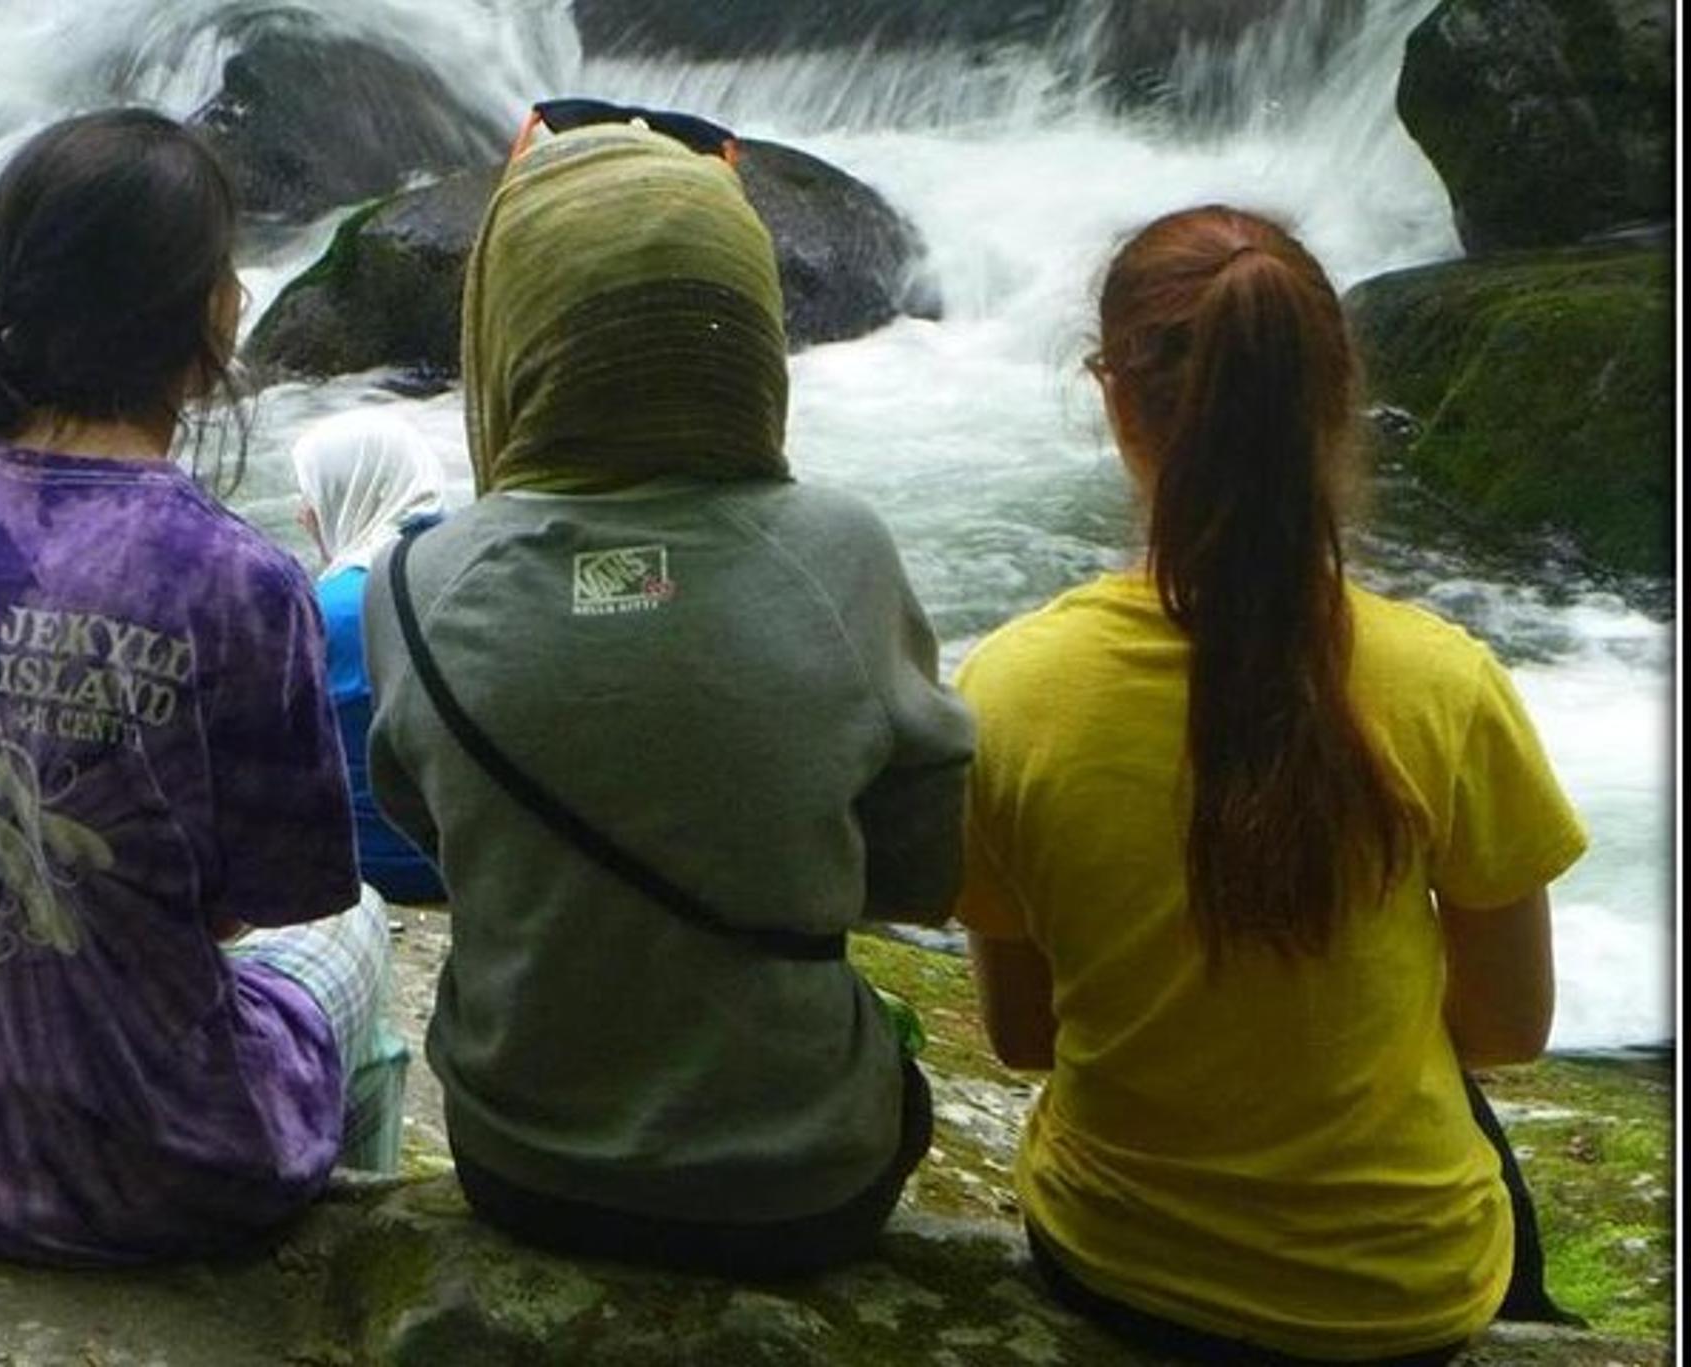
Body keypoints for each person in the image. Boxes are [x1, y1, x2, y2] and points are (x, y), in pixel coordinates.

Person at [954, 204, 1588, 1362]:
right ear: (1332, 401)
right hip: (1401, 1298)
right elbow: (1506, 1025)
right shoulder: (1444, 682)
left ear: (1113, 399)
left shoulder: (1009, 689)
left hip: (1123, 1264)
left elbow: (1024, 1032)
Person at [361, 103, 975, 1280]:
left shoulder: (411, 582)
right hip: (803, 1185)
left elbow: (441, 840)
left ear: (508, 323)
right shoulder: (842, 551)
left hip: (518, 1165)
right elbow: (917, 872)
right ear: (749, 326)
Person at [0, 108, 405, 1266]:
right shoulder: (236, 577)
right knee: (361, 926)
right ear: (210, 313)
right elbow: (270, 901)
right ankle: (348, 1260)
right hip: (154, 1175)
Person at [289, 409, 449, 904]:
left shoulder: (325, 608)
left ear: (350, 491)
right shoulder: (476, 570)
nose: (302, 515)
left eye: (310, 494)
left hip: (364, 862)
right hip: (468, 853)